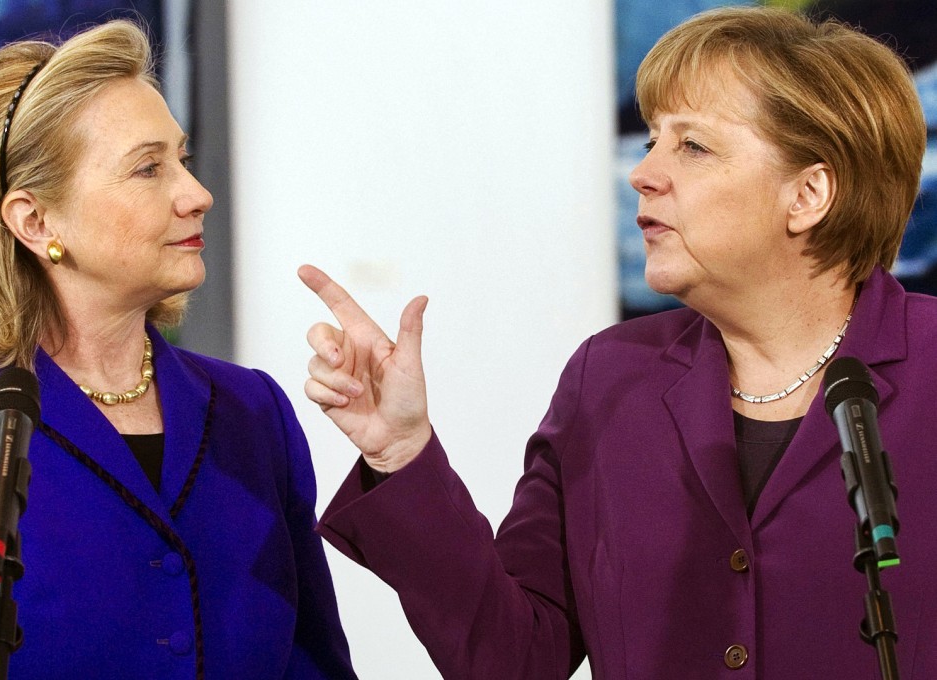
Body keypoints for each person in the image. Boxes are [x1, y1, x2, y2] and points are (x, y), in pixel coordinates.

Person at [300, 6, 937, 678]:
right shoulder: (609, 379)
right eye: (651, 141)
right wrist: (403, 455)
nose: (644, 172)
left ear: (808, 193)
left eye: (691, 146)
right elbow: (513, 657)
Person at [0, 20, 356, 679]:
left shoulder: (251, 410)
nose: (196, 194)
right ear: (35, 222)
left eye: (181, 159)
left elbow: (314, 665)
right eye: (149, 168)